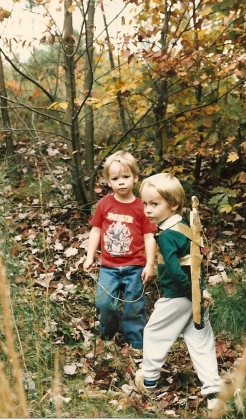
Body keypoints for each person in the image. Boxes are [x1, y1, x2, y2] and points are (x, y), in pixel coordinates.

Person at [135, 173, 221, 410]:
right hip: (193, 293)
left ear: (173, 204)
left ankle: (149, 378)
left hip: (177, 295)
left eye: (154, 204)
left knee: (153, 332)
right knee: (200, 339)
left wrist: (193, 292)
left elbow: (174, 270)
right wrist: (201, 290)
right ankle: (213, 388)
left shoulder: (166, 236)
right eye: (145, 204)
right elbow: (195, 262)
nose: (148, 209)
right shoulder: (184, 227)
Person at [83, 150, 157, 353]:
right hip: (109, 266)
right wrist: (90, 256)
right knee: (104, 303)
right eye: (115, 178)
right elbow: (96, 230)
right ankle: (107, 334)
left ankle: (136, 342)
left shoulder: (142, 207)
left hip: (135, 266)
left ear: (135, 177)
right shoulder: (104, 204)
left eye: (126, 177)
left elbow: (149, 236)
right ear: (108, 181)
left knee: (134, 306)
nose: (121, 182)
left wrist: (150, 264)